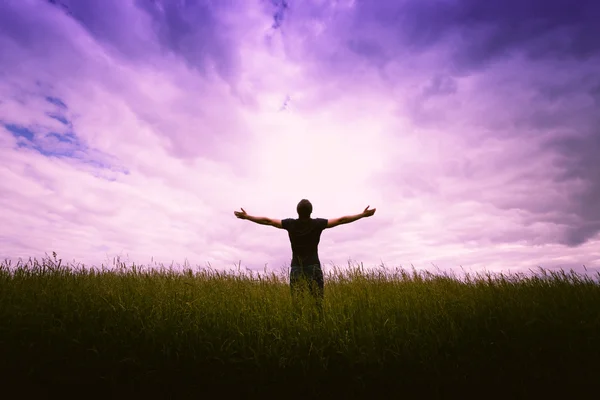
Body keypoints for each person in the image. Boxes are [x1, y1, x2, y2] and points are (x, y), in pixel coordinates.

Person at [233, 199, 376, 316]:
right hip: (313, 267)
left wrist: (248, 217)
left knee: (297, 305)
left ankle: (299, 331)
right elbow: (341, 220)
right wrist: (362, 215)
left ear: (297, 211)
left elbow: (268, 221)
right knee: (318, 304)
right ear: (311, 211)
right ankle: (317, 328)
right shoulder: (317, 223)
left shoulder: (290, 224)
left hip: (297, 268)